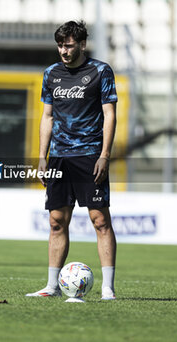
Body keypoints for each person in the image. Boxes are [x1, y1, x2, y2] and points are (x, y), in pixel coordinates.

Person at [26, 21, 118, 300]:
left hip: (90, 155)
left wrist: (105, 155)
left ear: (81, 45)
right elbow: (47, 117)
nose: (63, 51)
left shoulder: (100, 71)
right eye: (60, 45)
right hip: (59, 158)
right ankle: (52, 286)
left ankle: (107, 289)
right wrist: (42, 157)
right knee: (56, 220)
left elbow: (110, 115)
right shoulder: (51, 74)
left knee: (99, 219)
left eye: (68, 45)